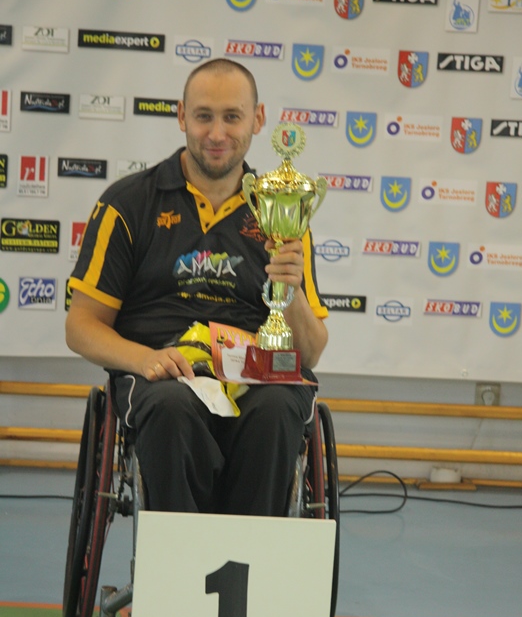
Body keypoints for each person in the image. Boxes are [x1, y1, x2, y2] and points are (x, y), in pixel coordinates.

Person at [66, 58, 329, 515]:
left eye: (232, 117)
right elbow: (80, 326)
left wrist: (291, 291)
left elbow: (311, 352)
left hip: (255, 376)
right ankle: (176, 555)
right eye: (204, 116)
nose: (217, 133)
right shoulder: (127, 204)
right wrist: (144, 359)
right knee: (170, 405)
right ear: (182, 116)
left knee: (277, 407)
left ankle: (252, 552)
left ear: (257, 119)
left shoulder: (282, 210)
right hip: (164, 373)